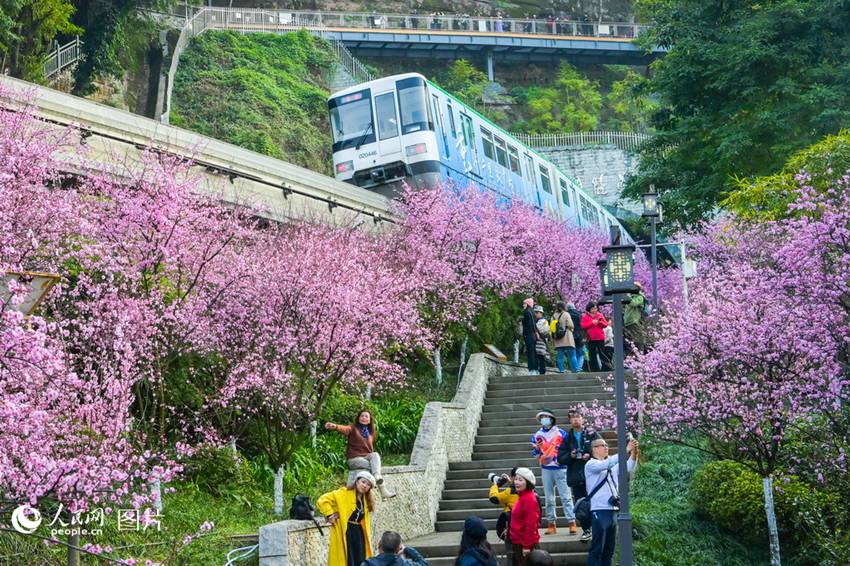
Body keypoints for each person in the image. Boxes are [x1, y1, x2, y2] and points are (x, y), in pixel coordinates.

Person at [584, 437, 640, 566]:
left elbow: (628, 467)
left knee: (609, 549)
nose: (606, 447)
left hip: (613, 509)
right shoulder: (591, 464)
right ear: (594, 449)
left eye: (606, 445)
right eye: (603, 445)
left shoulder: (611, 464)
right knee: (597, 547)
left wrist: (633, 453)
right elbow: (607, 464)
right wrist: (626, 449)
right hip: (599, 509)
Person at [325, 410, 396, 500]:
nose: (363, 418)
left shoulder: (371, 433)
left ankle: (378, 477)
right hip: (354, 459)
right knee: (373, 467)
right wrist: (335, 426)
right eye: (362, 416)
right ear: (358, 418)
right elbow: (345, 429)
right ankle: (382, 490)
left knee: (375, 455)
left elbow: (370, 449)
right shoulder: (353, 428)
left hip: (366, 457)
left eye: (366, 416)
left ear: (369, 420)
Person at [318, 471, 377, 566]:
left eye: (368, 484)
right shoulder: (344, 493)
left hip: (359, 533)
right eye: (363, 482)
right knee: (347, 559)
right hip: (346, 531)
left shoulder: (366, 500)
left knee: (360, 559)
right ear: (357, 481)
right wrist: (330, 515)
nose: (365, 485)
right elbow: (323, 500)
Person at [557, 410, 599, 542]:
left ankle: (597, 528)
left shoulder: (592, 433)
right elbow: (560, 457)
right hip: (576, 476)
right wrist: (571, 455)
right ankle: (587, 529)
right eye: (572, 418)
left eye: (578, 417)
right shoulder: (568, 437)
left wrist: (590, 455)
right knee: (580, 505)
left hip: (592, 474)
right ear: (570, 421)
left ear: (583, 418)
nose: (575, 420)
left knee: (596, 502)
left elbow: (602, 448)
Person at [531, 409, 575, 535]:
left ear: (552, 418)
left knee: (566, 496)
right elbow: (534, 454)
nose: (544, 419)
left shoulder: (561, 433)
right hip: (546, 469)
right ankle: (551, 523)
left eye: (546, 417)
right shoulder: (537, 435)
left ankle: (571, 522)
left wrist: (563, 460)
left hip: (560, 468)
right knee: (549, 498)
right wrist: (537, 449)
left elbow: (568, 449)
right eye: (542, 417)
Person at [509, 467, 540, 565]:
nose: (516, 482)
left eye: (520, 480)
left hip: (524, 544)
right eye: (516, 479)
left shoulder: (529, 499)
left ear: (528, 482)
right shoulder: (522, 496)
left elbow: (531, 524)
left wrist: (526, 546)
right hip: (518, 541)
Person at [488, 468, 518, 563]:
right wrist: (510, 483)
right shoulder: (531, 491)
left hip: (512, 528)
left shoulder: (510, 492)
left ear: (513, 477)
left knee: (511, 556)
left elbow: (494, 498)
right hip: (527, 530)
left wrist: (496, 484)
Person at [361, 530, 428, 566]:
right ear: (399, 548)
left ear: (379, 545)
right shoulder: (405, 564)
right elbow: (423, 563)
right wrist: (407, 549)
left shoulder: (368, 564)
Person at [580, 302, 608, 372]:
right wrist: (592, 323)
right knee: (592, 355)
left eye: (595, 308)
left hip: (600, 338)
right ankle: (595, 369)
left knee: (602, 354)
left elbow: (605, 324)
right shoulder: (585, 316)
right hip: (591, 338)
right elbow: (583, 326)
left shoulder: (600, 315)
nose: (595, 310)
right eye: (593, 309)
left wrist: (599, 322)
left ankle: (605, 368)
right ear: (589, 309)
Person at [551, 302, 575, 374]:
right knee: (572, 355)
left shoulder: (553, 316)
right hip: (567, 337)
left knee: (560, 356)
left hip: (558, 338)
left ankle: (561, 370)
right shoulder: (566, 314)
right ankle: (575, 370)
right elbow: (571, 325)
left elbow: (552, 328)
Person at [623, 282, 647, 354]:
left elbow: (633, 303)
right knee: (630, 340)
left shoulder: (640, 297)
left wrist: (628, 297)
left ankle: (640, 353)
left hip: (634, 320)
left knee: (638, 339)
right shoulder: (630, 296)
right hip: (628, 321)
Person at [566, 302, 585, 372]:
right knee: (580, 353)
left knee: (572, 354)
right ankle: (579, 368)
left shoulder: (566, 315)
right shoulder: (580, 315)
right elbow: (583, 326)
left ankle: (574, 369)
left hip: (570, 336)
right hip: (580, 336)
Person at [521, 298, 538, 375]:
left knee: (530, 352)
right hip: (533, 335)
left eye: (524, 303)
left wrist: (524, 335)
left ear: (527, 304)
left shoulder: (527, 312)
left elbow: (529, 325)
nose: (523, 305)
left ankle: (532, 369)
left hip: (529, 335)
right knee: (533, 352)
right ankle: (535, 369)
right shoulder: (532, 312)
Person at [533, 305, 550, 375]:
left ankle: (542, 373)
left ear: (541, 313)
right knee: (536, 358)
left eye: (537, 312)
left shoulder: (544, 321)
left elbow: (544, 331)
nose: (536, 314)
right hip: (535, 342)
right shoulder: (534, 321)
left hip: (541, 342)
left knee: (541, 357)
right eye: (535, 312)